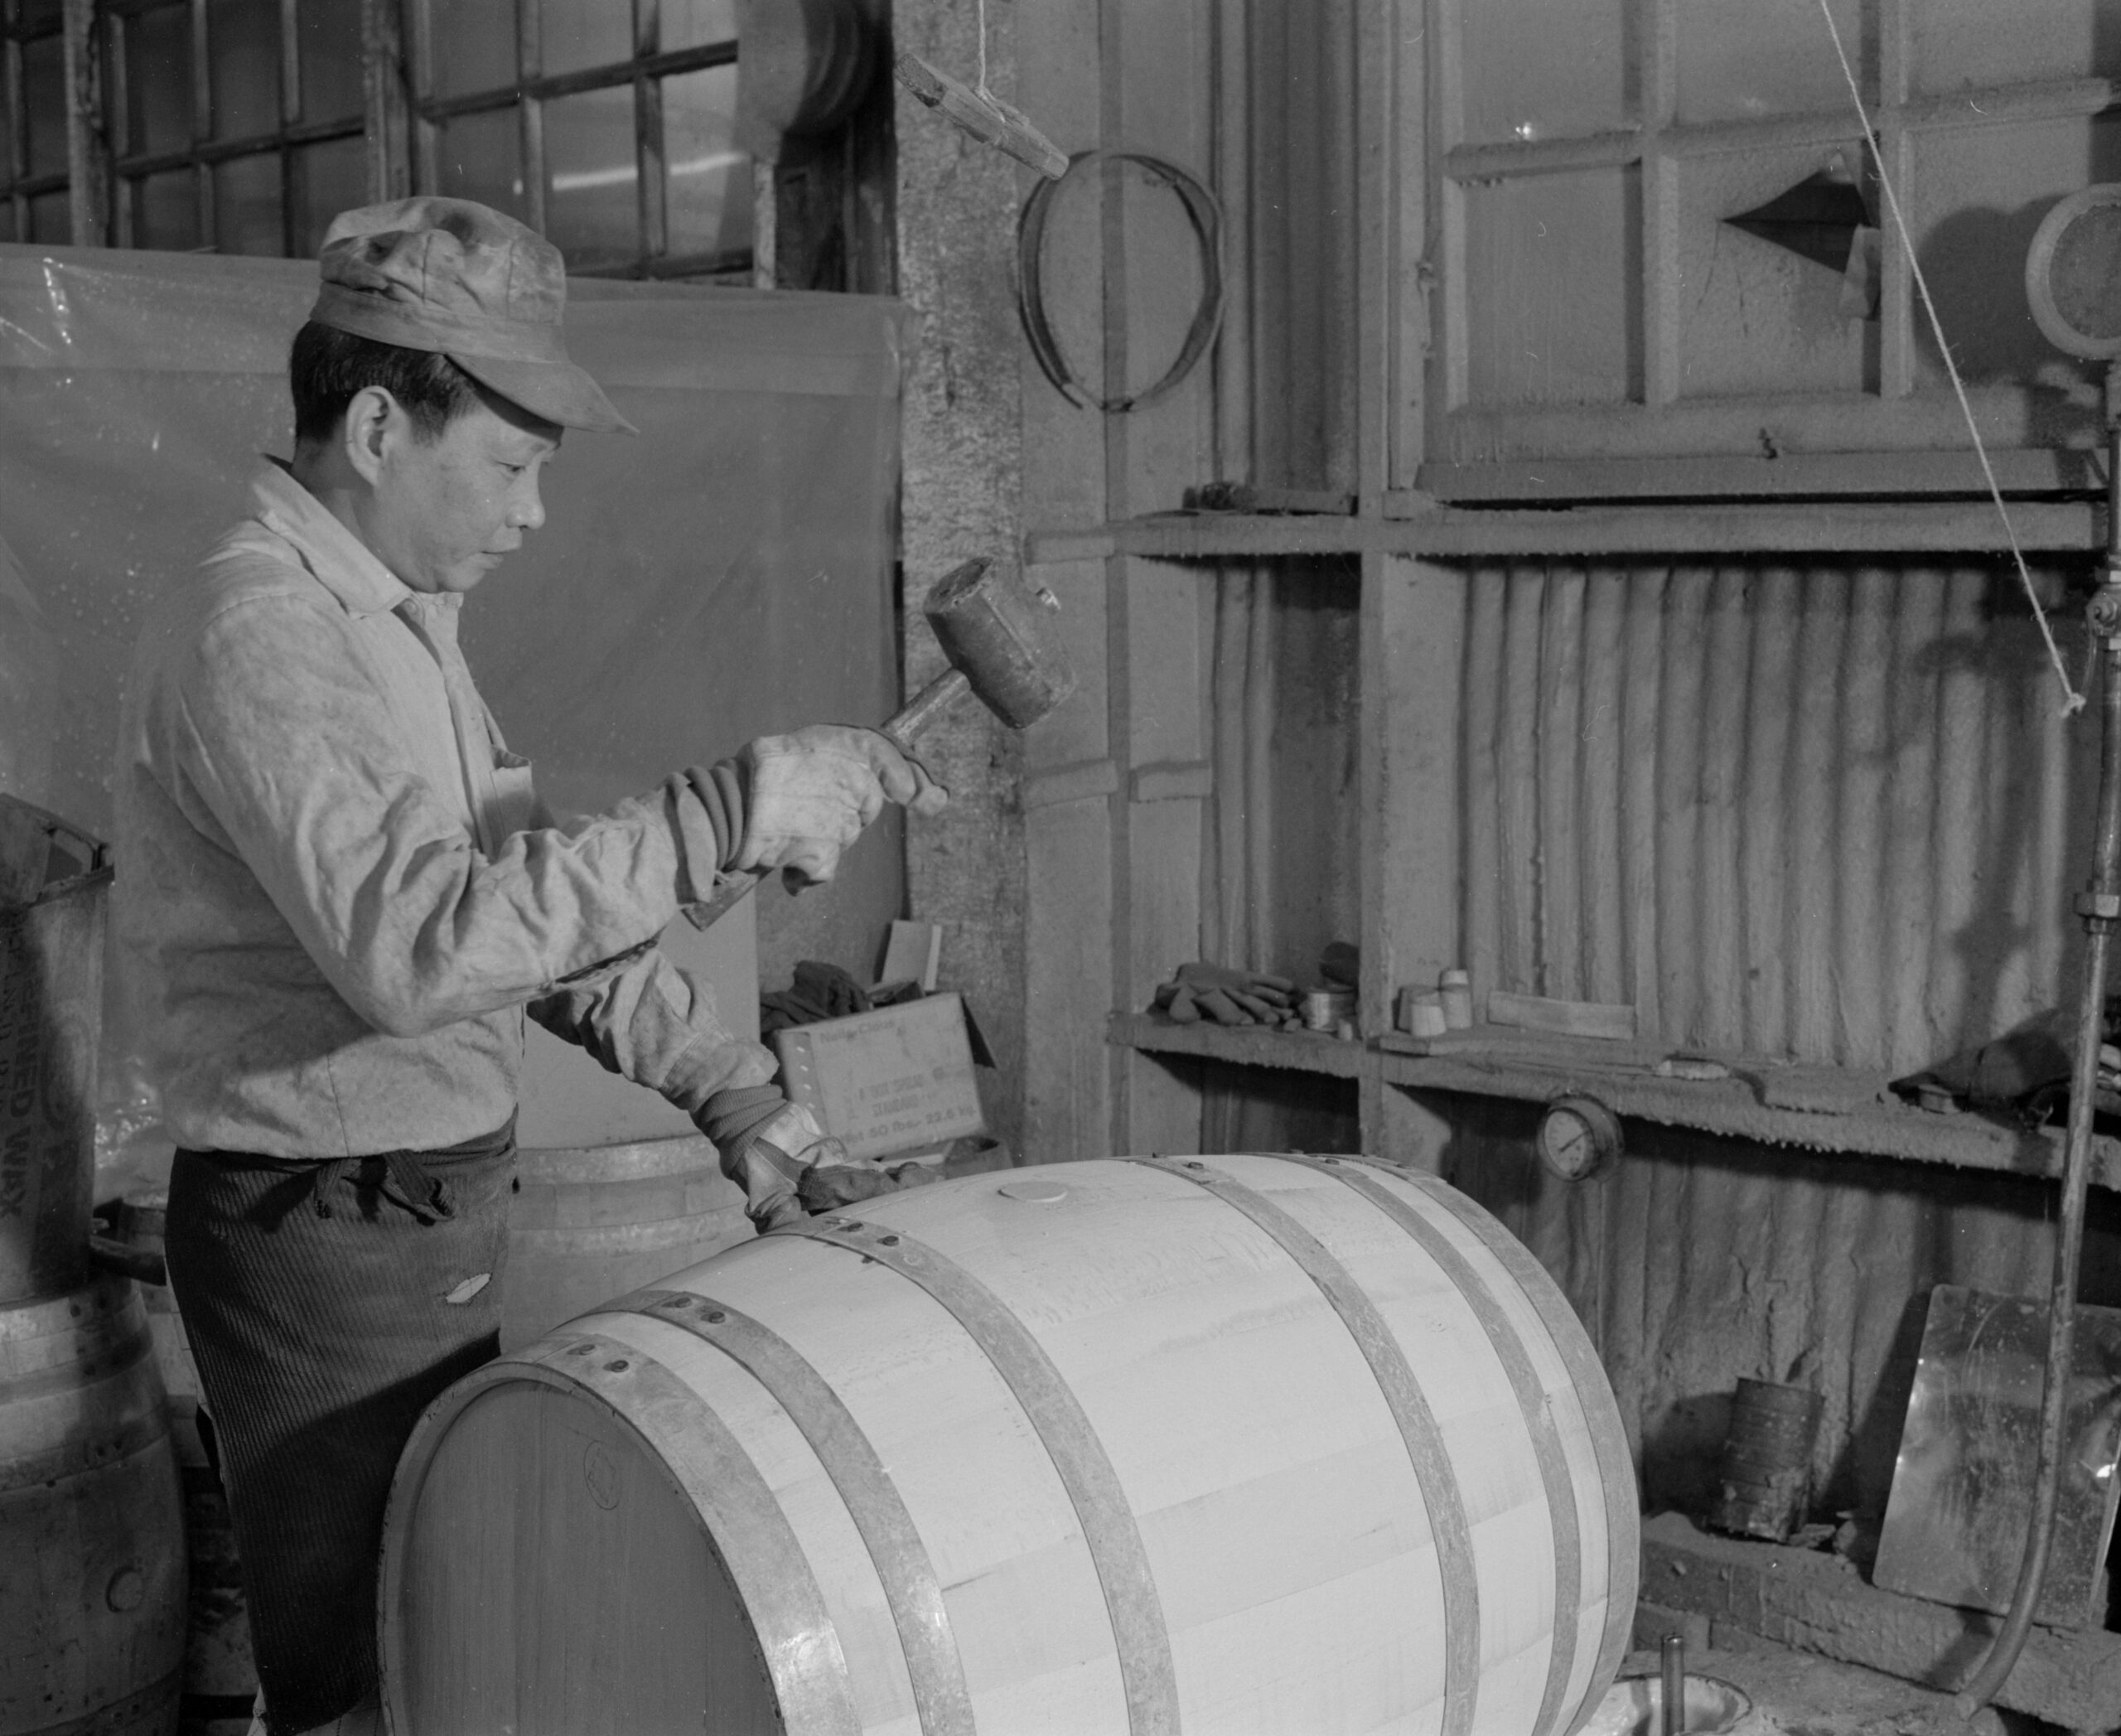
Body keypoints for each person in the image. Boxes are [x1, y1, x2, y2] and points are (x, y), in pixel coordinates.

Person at [111, 196, 944, 1736]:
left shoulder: (400, 627)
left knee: (446, 1622)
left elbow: (513, 900)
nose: (534, 512)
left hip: (414, 1201)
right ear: (376, 423)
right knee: (366, 1674)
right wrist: (728, 809)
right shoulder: (268, 634)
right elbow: (425, 955)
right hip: (323, 1226)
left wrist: (736, 1094)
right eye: (507, 463)